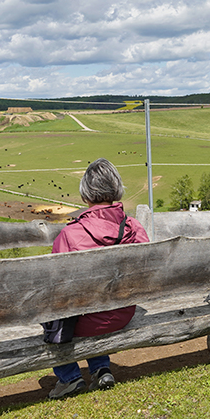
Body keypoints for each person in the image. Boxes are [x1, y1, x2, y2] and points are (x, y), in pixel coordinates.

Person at [47, 158, 149, 399]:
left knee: (54, 315)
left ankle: (69, 377)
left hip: (88, 321)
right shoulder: (135, 228)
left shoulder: (71, 234)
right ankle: (101, 368)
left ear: (85, 195)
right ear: (115, 189)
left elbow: (53, 288)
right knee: (93, 304)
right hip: (124, 313)